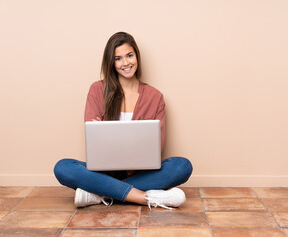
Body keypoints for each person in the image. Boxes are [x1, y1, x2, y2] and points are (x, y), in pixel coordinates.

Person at [54, 32, 193, 210]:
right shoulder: (97, 90)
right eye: (118, 58)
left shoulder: (155, 97)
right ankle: (145, 197)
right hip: (102, 172)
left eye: (129, 55)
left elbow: (156, 146)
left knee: (182, 166)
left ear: (137, 56)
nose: (126, 63)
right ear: (111, 63)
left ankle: (99, 193)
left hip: (141, 173)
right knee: (63, 167)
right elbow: (93, 141)